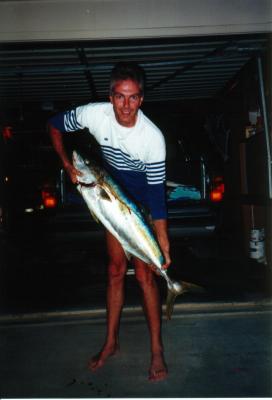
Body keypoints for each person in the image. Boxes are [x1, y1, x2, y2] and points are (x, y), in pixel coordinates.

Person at [48, 62, 171, 382]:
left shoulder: (152, 138)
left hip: (139, 203)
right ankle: (111, 342)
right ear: (110, 96)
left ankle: (157, 350)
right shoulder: (94, 114)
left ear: (141, 99)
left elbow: (157, 196)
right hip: (111, 196)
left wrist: (163, 242)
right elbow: (54, 124)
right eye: (119, 97)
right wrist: (66, 164)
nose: (126, 106)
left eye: (133, 98)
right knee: (115, 271)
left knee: (145, 275)